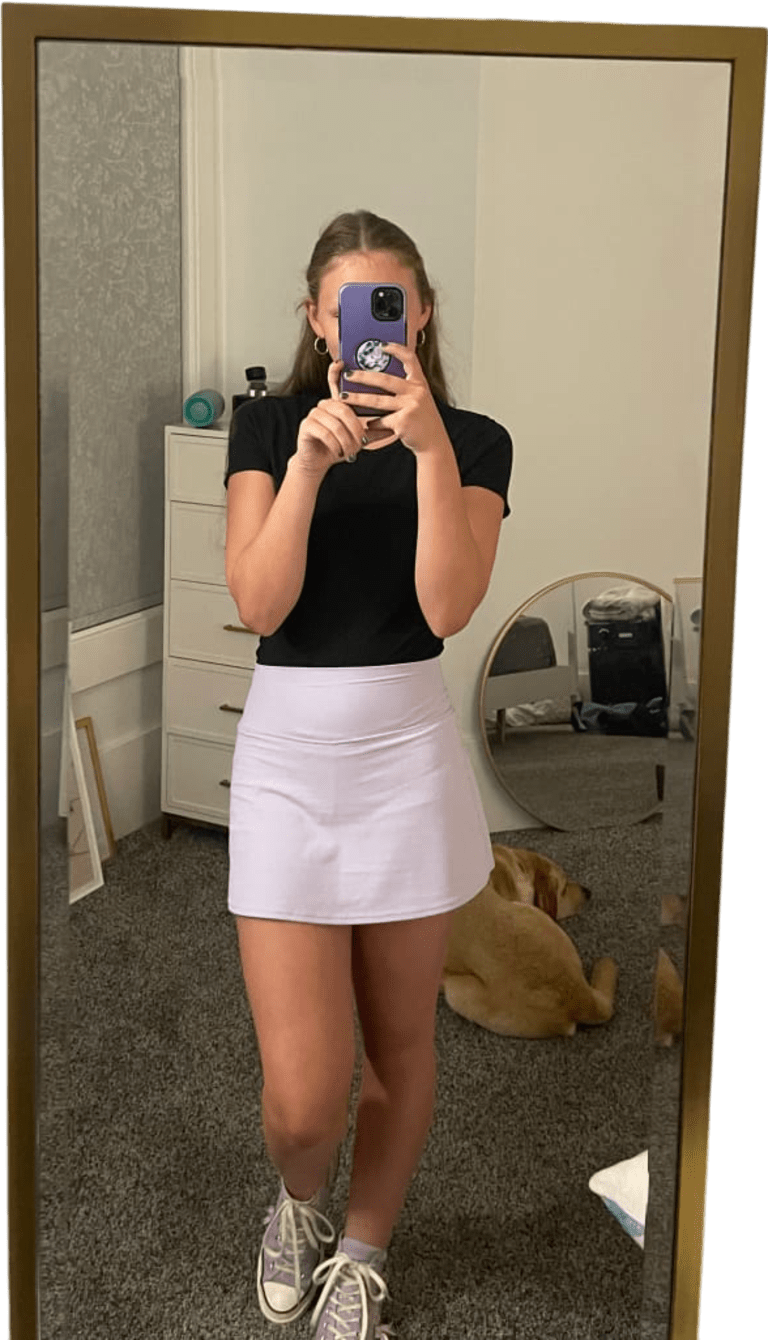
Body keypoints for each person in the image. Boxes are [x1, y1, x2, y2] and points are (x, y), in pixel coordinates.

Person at [224, 210, 513, 1339]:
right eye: (346, 305)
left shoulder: (475, 441)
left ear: (420, 312)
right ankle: (299, 1200)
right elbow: (260, 604)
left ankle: (362, 1251)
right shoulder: (266, 424)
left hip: (405, 760)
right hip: (288, 764)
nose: (368, 325)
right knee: (302, 1099)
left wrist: (429, 449)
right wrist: (305, 467)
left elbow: (446, 606)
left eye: (388, 301)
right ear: (316, 318)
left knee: (399, 1045)